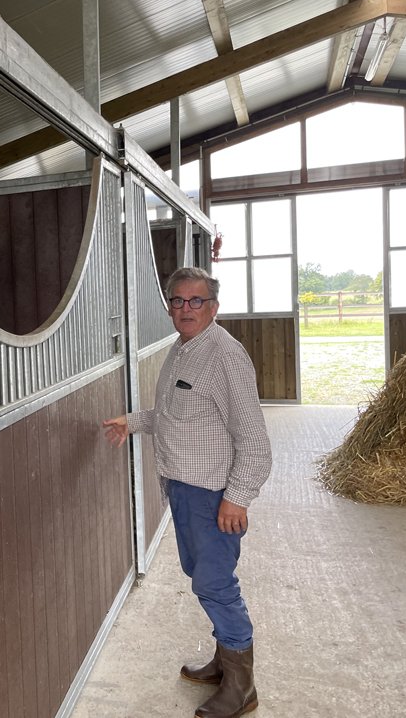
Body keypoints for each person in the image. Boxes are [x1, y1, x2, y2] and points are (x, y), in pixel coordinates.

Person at [103, 266, 271, 718]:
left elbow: (255, 440)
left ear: (213, 307)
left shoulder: (224, 355)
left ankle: (242, 687)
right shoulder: (182, 349)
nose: (185, 308)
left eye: (196, 300)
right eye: (177, 300)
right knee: (203, 577)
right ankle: (224, 662)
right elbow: (175, 414)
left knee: (215, 583)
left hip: (213, 494)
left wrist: (238, 496)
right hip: (183, 489)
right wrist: (132, 422)